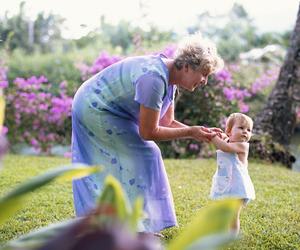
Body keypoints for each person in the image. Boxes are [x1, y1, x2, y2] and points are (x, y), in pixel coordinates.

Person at [71, 33, 224, 234]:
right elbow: (148, 132)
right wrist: (190, 132)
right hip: (94, 107)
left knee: (144, 156)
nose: (204, 81)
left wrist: (198, 131)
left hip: (109, 109)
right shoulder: (154, 79)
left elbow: (165, 122)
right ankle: (133, 225)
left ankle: (130, 224)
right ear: (187, 66)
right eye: (204, 74)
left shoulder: (170, 81)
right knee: (146, 153)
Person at [209, 113, 255, 235]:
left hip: (237, 187)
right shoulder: (228, 140)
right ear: (229, 131)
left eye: (249, 130)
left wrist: (212, 137)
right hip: (225, 184)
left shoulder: (242, 146)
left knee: (234, 214)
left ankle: (231, 237)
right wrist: (221, 135)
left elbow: (225, 147)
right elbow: (225, 140)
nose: (245, 132)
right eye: (241, 128)